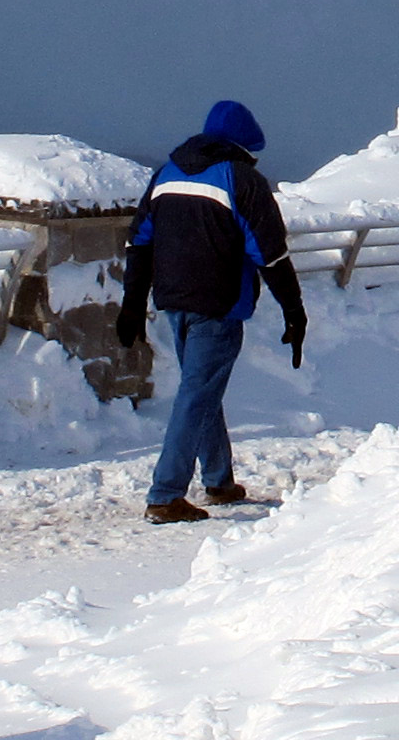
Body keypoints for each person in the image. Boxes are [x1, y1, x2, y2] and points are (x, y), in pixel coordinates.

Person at [114, 99, 309, 523]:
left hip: (172, 299)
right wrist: (294, 312)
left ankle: (219, 480)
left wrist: (132, 303)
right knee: (197, 393)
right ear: (245, 146)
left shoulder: (167, 173)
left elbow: (139, 242)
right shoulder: (241, 179)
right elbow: (270, 254)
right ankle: (165, 495)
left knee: (200, 388)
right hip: (218, 304)